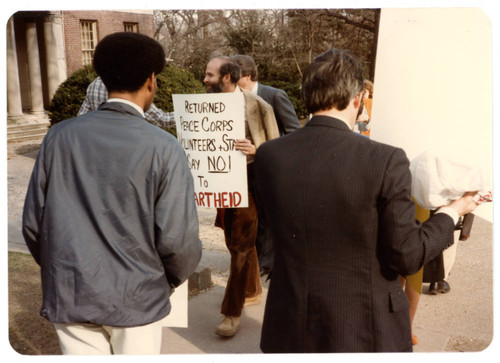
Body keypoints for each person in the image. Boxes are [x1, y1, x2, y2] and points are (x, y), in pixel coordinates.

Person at [253, 48, 478, 353]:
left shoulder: (269, 155)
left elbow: (270, 230)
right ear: (358, 99)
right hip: (361, 330)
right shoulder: (385, 159)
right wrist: (454, 210)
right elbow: (407, 255)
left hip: (289, 324)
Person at [22, 32, 202, 355]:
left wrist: (63, 271)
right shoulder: (164, 147)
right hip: (139, 298)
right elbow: (179, 241)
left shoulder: (58, 139)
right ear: (151, 81)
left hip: (72, 292)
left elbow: (34, 225)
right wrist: (167, 282)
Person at [203, 55, 279, 337]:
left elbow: (276, 149)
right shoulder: (203, 106)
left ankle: (231, 312)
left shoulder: (258, 106)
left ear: (227, 77)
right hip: (220, 181)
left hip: (248, 181)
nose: (205, 79)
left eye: (210, 75)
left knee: (240, 243)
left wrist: (256, 150)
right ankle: (252, 288)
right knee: (233, 238)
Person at [231, 54, 301, 276]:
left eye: (235, 76)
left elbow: (293, 133)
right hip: (243, 170)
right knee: (253, 219)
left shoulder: (274, 95)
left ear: (248, 76)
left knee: (269, 218)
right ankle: (258, 263)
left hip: (271, 168)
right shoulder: (231, 98)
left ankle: (266, 264)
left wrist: (262, 149)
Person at [78, 75, 176, 129]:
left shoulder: (95, 84)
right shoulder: (132, 86)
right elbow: (162, 119)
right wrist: (187, 116)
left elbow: (81, 119)